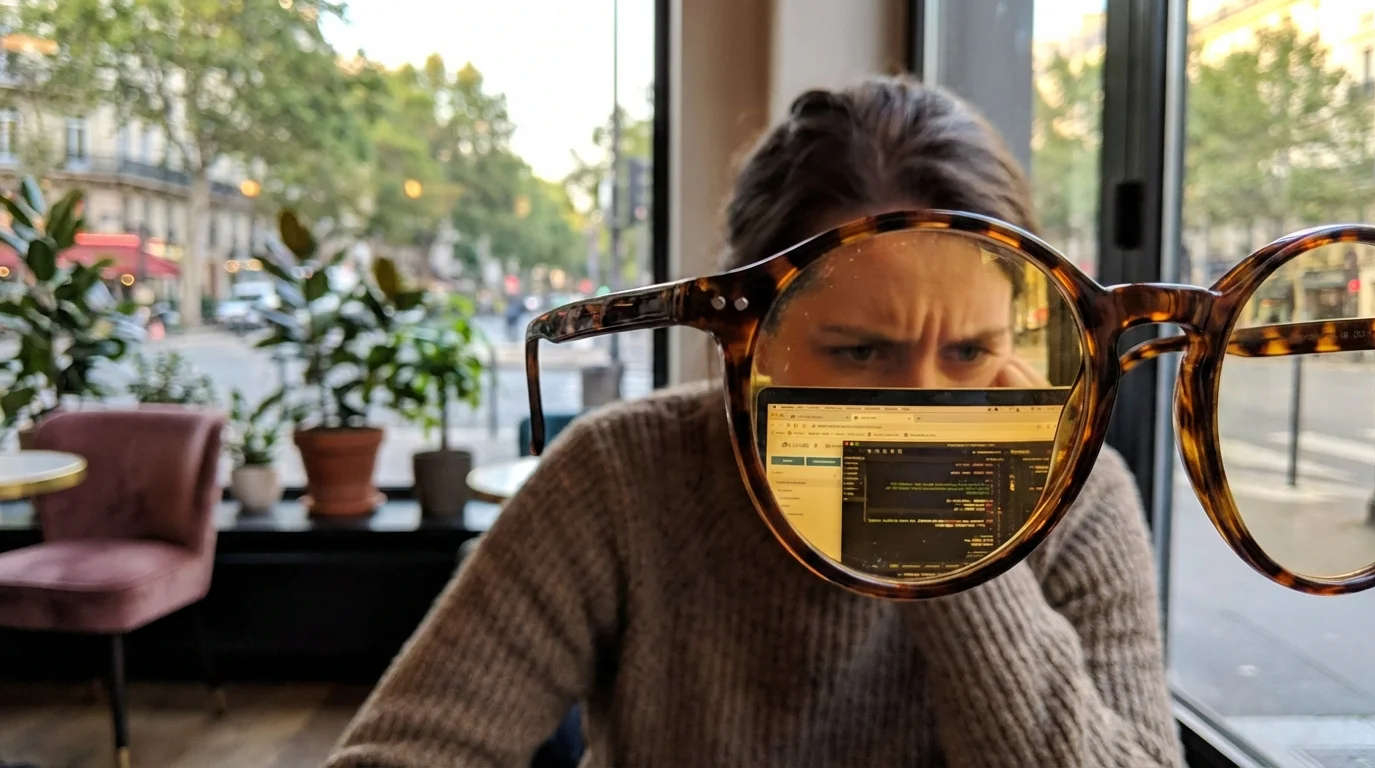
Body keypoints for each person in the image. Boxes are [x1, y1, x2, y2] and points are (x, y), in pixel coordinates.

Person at [326, 76, 1182, 767]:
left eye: (969, 352)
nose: (921, 413)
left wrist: (960, 541)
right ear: (741, 340)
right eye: (857, 352)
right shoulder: (623, 475)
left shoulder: (1084, 494)